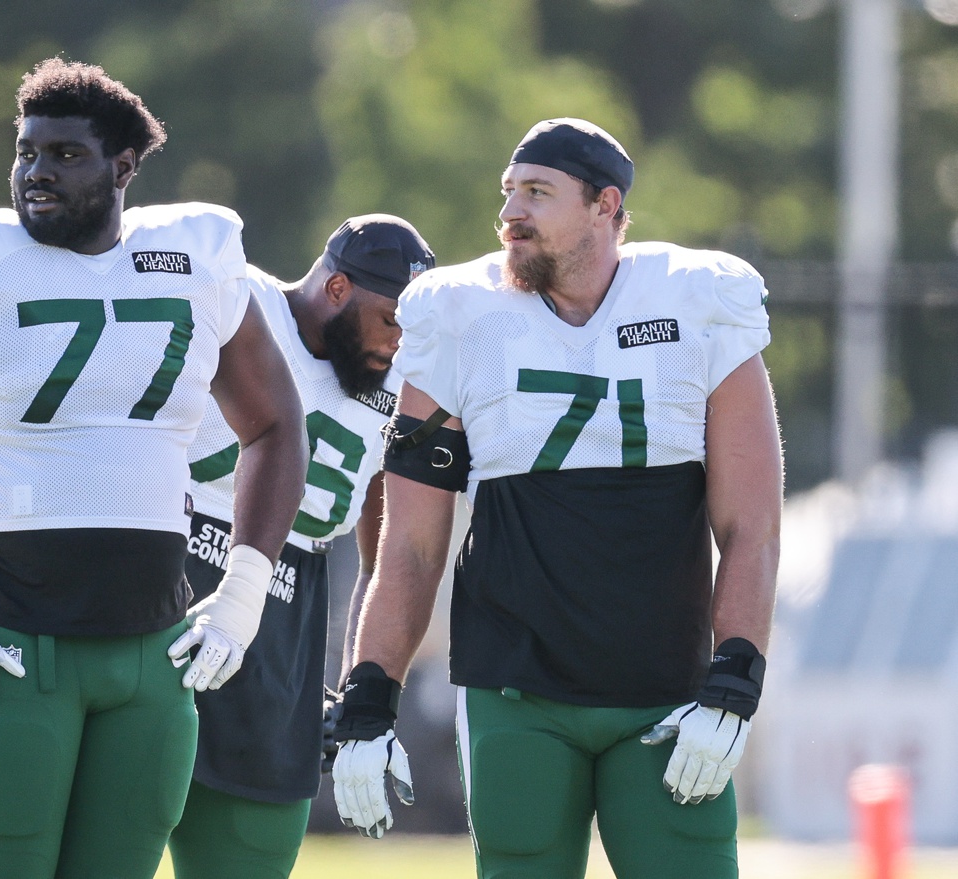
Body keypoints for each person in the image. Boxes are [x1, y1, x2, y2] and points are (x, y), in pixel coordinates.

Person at [0, 58, 307, 879]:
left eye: (64, 154)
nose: (36, 173)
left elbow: (277, 424)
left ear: (123, 167)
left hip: (150, 644)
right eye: (26, 151)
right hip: (3, 640)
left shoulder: (196, 250)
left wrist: (245, 588)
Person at [330, 118, 783, 879]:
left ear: (606, 205)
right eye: (507, 191)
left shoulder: (699, 302)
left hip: (664, 694)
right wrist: (368, 692)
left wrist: (735, 674)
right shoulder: (458, 315)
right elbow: (410, 542)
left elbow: (751, 524)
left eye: (537, 192)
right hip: (517, 691)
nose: (511, 211)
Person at [169, 216, 434, 878]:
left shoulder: (398, 381)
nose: (397, 343)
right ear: (338, 286)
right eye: (389, 320)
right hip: (176, 576)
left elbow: (383, 545)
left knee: (247, 858)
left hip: (285, 624)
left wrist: (353, 675)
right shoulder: (237, 300)